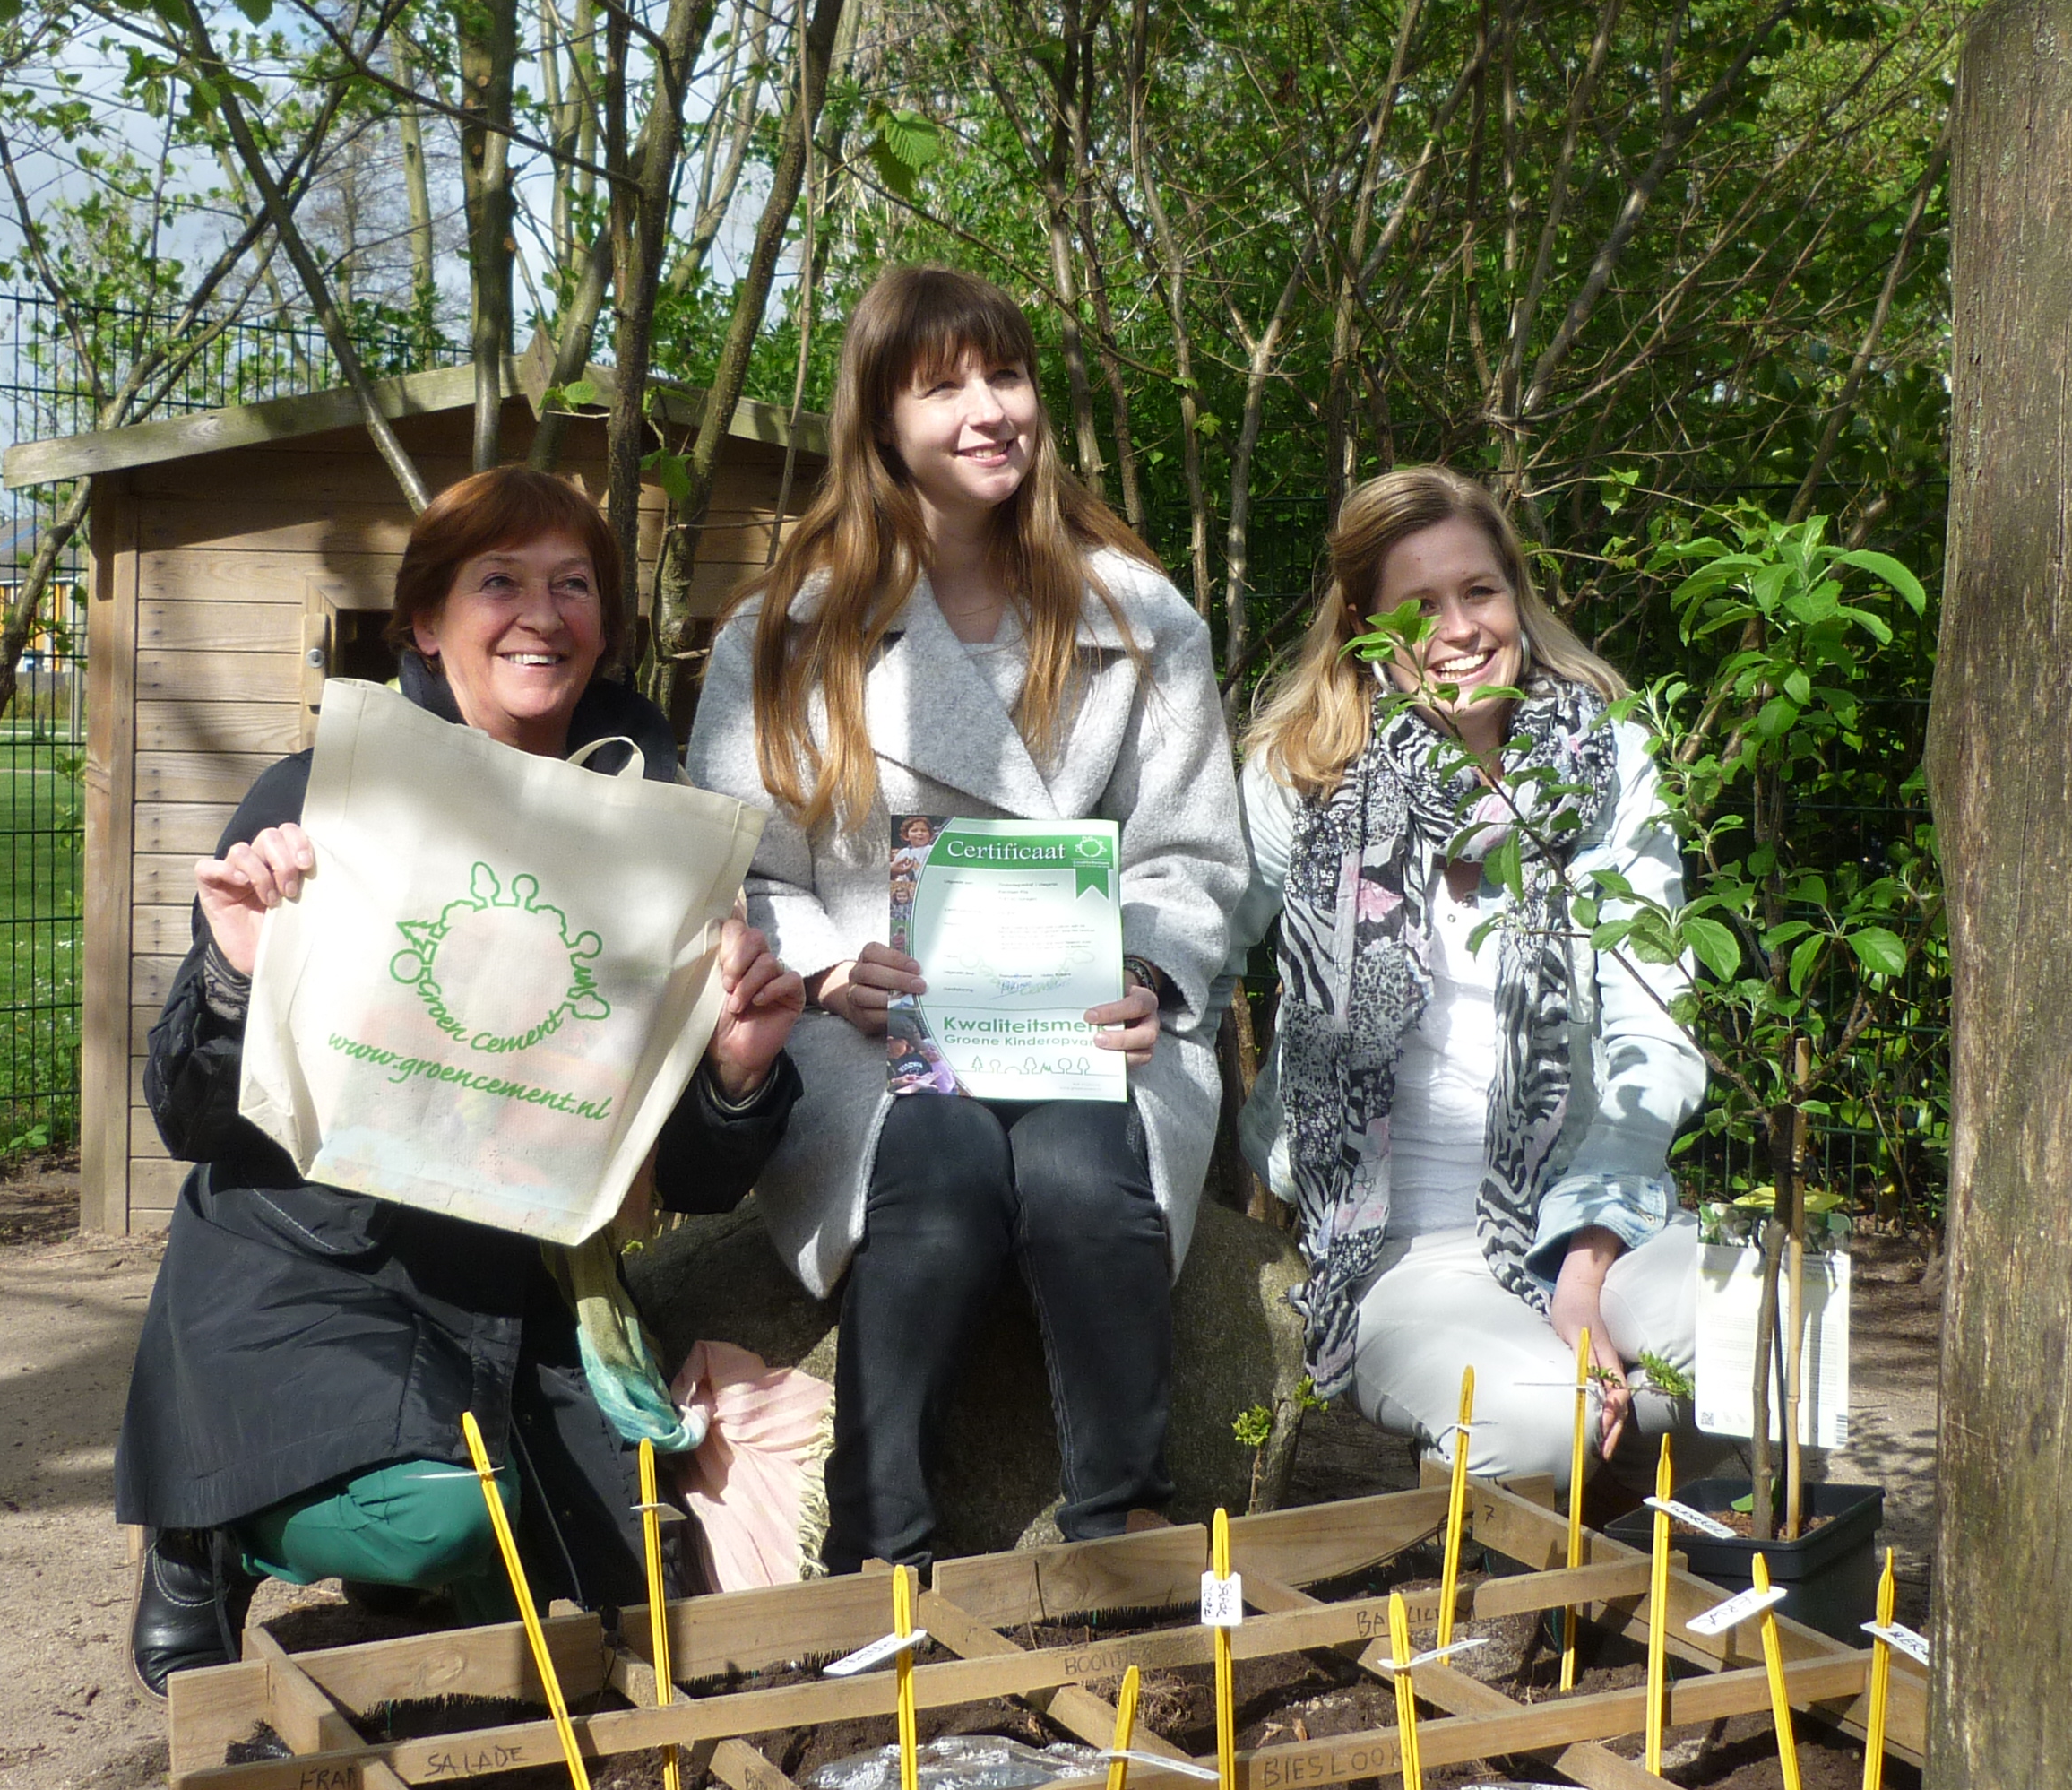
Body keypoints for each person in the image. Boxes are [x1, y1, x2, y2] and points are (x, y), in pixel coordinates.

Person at [117, 465, 807, 1694]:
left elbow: (690, 1175)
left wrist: (740, 1073)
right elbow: (188, 1114)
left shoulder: (660, 848)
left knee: (622, 1600)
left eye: (573, 584)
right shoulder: (320, 807)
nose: (542, 611)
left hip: (522, 1294)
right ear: (426, 626)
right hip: (312, 1266)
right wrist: (231, 971)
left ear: (604, 627)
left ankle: (398, 1586)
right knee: (449, 1518)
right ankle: (207, 1535)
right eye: (500, 581)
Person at [686, 265, 1244, 1571]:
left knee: (1078, 1169)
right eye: (943, 388)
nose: (991, 412)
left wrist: (1149, 970)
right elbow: (737, 867)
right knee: (928, 1175)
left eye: (1007, 376)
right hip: (872, 1037)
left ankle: (1126, 1528)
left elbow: (1194, 851)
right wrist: (827, 973)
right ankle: (878, 1549)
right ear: (881, 424)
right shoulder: (783, 636)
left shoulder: (1138, 617)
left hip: (1097, 1024)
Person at [1224, 465, 1714, 1490]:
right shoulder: (1301, 776)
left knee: (1778, 1327)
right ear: (1366, 629)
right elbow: (1198, 942)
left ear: (1517, 596)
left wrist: (1585, 1263)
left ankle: (1677, 1541)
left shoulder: (1606, 758)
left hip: (1591, 1211)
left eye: (1480, 591)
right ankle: (1500, 1613)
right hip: (1402, 1245)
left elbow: (1652, 1013)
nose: (1459, 628)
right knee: (1546, 1412)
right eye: (1420, 607)